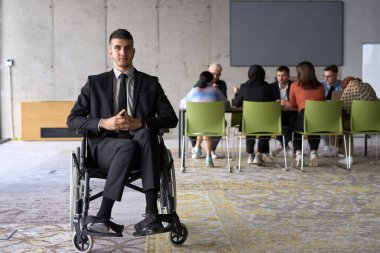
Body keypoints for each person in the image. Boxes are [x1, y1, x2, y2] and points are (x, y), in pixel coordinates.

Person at [67, 29, 178, 236]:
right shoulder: (95, 83)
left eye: (127, 48)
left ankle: (151, 214)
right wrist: (104, 123)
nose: (122, 53)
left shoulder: (150, 83)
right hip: (105, 149)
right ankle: (103, 215)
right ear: (110, 52)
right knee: (127, 145)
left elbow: (171, 118)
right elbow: (72, 119)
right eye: (117, 48)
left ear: (133, 52)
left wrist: (141, 122)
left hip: (143, 153)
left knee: (146, 134)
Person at [180, 71, 230, 167]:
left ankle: (197, 147)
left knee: (202, 124)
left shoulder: (193, 91)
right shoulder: (216, 91)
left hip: (195, 126)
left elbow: (182, 105)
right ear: (212, 81)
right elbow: (227, 106)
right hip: (214, 125)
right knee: (206, 125)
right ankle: (208, 156)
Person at [233, 64, 276, 166]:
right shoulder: (268, 87)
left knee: (250, 124)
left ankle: (250, 154)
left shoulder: (244, 86)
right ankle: (259, 154)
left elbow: (237, 104)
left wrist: (237, 93)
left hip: (248, 123)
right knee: (265, 128)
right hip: (265, 122)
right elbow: (273, 102)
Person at [289, 61, 325, 167]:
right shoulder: (321, 86)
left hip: (303, 115)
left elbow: (293, 104)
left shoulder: (294, 85)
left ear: (300, 73)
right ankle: (313, 152)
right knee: (314, 129)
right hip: (318, 117)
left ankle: (298, 153)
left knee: (296, 128)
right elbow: (321, 102)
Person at [190, 63, 228, 159]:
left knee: (222, 123)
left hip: (213, 117)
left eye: (218, 74)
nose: (215, 76)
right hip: (201, 118)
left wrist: (217, 92)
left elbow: (225, 102)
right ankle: (207, 151)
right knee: (199, 123)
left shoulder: (222, 84)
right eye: (213, 73)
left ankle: (198, 148)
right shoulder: (199, 83)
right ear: (208, 72)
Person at [338, 77, 378, 165]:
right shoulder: (367, 86)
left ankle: (347, 156)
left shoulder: (350, 87)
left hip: (358, 124)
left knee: (341, 123)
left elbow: (343, 106)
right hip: (376, 123)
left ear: (346, 86)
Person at [270, 66, 296, 158]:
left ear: (288, 76)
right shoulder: (271, 86)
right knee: (277, 123)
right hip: (277, 113)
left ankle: (281, 146)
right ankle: (286, 147)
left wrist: (290, 103)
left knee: (294, 122)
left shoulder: (294, 85)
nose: (280, 78)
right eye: (278, 75)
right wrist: (278, 102)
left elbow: (298, 100)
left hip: (292, 112)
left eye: (283, 75)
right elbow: (268, 101)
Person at [320, 64, 343, 156]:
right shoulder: (320, 85)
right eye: (325, 76)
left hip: (338, 113)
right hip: (323, 113)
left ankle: (339, 148)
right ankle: (326, 146)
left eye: (329, 76)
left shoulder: (342, 85)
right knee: (321, 120)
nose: (326, 79)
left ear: (336, 75)